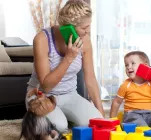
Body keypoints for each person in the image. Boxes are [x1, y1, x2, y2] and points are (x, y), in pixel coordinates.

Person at [26, 0, 104, 133]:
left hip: (70, 94)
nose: (88, 31)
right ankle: (35, 117)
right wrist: (68, 58)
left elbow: (90, 79)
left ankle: (64, 116)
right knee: (59, 127)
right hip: (42, 96)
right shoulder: (42, 39)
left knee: (93, 122)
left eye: (89, 26)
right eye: (84, 28)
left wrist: (101, 116)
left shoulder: (85, 40)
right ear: (69, 28)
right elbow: (46, 86)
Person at [110, 51, 151, 134]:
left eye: (132, 63)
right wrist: (112, 119)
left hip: (149, 114)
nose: (128, 67)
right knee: (135, 120)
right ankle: (146, 131)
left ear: (145, 66)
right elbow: (116, 102)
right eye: (126, 65)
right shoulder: (126, 84)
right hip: (132, 114)